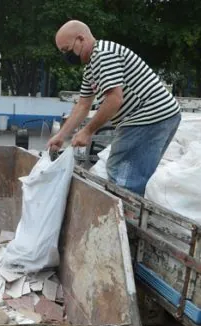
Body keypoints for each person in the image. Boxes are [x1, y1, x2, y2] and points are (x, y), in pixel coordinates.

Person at [48, 20, 181, 196]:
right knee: (127, 171)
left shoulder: (103, 55)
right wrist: (61, 136)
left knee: (124, 175)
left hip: (150, 116)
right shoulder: (91, 67)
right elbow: (83, 104)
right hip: (155, 116)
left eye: (66, 49)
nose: (66, 56)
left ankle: (125, 219)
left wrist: (87, 131)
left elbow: (114, 99)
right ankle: (128, 213)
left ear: (81, 39)